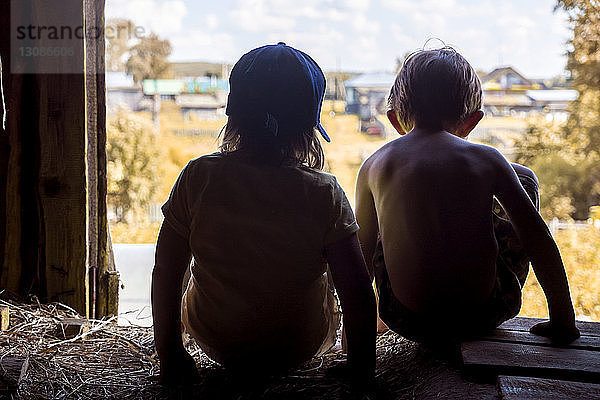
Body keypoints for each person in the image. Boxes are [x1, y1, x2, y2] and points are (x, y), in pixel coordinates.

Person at [152, 42, 376, 387]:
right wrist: (361, 367)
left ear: (234, 117)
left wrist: (170, 353)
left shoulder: (199, 176)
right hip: (298, 346)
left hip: (216, 340)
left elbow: (167, 269)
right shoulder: (324, 191)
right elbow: (358, 289)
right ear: (308, 131)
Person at [355, 46, 580, 344]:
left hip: (405, 318)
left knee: (384, 222)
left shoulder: (373, 166)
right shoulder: (488, 160)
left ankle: (379, 324)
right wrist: (563, 320)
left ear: (395, 120)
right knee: (524, 178)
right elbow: (539, 240)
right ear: (472, 121)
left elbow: (360, 261)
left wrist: (352, 338)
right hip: (482, 315)